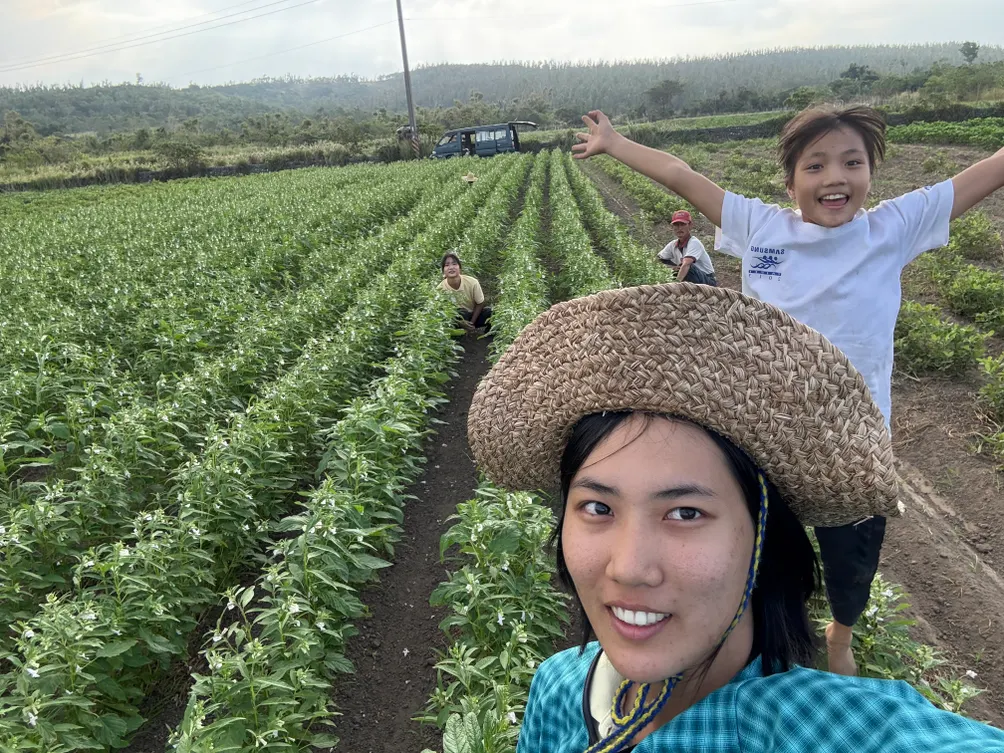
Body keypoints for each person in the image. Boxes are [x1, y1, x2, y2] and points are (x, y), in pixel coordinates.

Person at [467, 284, 1004, 753]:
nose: (629, 568)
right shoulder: (556, 687)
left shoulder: (815, 727)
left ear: (764, 539)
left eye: (685, 512)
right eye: (598, 507)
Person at [573, 105, 1004, 676]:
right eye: (815, 164)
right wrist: (615, 141)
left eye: (853, 162)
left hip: (852, 439)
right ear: (791, 180)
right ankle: (755, 634)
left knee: (853, 559)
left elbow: (977, 177)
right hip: (764, 431)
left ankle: (841, 632)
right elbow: (680, 173)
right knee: (758, 543)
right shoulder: (761, 227)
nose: (835, 178)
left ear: (871, 173)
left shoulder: (892, 227)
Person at [657, 210, 717, 286]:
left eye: (682, 224)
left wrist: (676, 285)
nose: (679, 228)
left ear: (690, 225)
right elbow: (657, 261)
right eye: (676, 225)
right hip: (692, 277)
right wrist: (671, 268)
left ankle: (677, 287)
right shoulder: (672, 245)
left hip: (707, 279)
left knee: (687, 266)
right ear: (672, 227)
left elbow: (686, 265)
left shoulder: (694, 242)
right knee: (672, 267)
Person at [438, 252, 491, 333]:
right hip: (456, 320)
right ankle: (458, 339)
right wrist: (460, 323)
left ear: (460, 268)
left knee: (491, 313)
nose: (451, 267)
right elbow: (442, 313)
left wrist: (472, 323)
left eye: (454, 264)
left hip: (474, 316)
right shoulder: (440, 289)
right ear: (443, 272)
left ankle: (488, 338)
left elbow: (480, 303)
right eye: (447, 265)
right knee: (461, 313)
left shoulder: (472, 282)